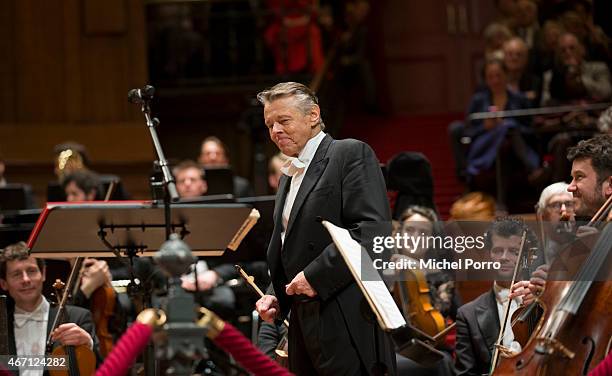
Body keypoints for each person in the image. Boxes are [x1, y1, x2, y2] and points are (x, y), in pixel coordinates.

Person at [254, 82, 395, 374]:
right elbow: (291, 248)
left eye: (283, 120)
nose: (275, 131)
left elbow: (372, 234)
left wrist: (315, 277)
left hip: (345, 313)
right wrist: (276, 293)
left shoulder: (350, 153)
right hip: (304, 318)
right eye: (270, 124)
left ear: (313, 115)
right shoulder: (287, 176)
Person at [454, 218, 538, 376]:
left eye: (514, 251)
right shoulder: (467, 315)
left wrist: (542, 303)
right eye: (498, 250)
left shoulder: (545, 302)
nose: (504, 257)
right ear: (487, 256)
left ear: (528, 257)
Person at [0, 242, 100, 374]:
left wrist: (88, 345)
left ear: (43, 274)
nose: (26, 279)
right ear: (4, 283)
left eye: (31, 271)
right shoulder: (2, 325)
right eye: (16, 274)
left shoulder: (77, 317)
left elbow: (103, 369)